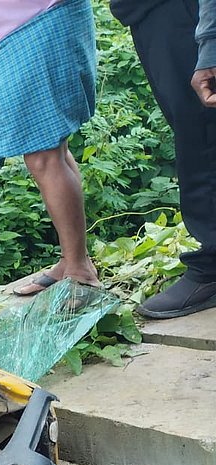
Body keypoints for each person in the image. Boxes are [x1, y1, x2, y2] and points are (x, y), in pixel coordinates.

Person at [0, 0, 102, 296]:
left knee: (44, 156)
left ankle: (80, 270)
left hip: (36, 22)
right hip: (19, 31)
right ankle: (73, 260)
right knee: (51, 152)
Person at [110, 0, 216, 319]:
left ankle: (211, 268)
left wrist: (211, 41)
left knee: (201, 133)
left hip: (185, 12)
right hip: (154, 14)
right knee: (195, 128)